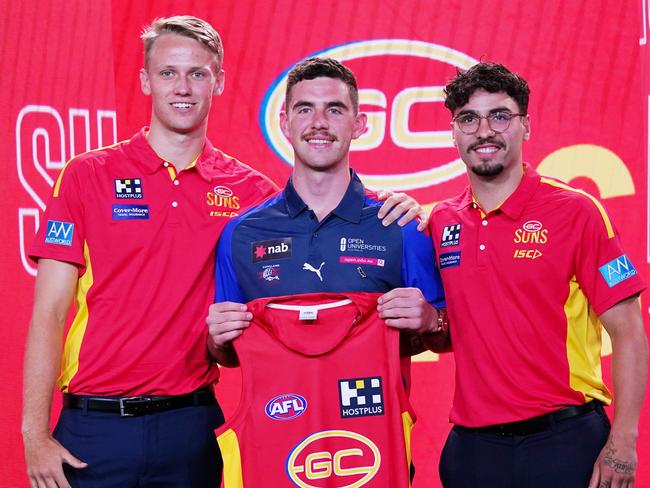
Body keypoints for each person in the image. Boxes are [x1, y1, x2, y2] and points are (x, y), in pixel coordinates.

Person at [21, 17, 424, 488]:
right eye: (168, 72)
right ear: (145, 81)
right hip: (93, 425)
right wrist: (33, 433)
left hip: (192, 424)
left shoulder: (252, 195)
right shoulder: (87, 174)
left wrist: (394, 206)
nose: (183, 87)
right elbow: (48, 311)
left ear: (219, 81)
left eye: (198, 73)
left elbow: (322, 240)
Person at [206, 57, 448, 483]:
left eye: (335, 109)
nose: (319, 122)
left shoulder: (400, 226)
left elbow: (448, 335)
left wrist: (431, 319)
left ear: (359, 123)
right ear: (284, 122)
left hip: (373, 450)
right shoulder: (241, 235)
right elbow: (227, 354)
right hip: (276, 453)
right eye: (305, 109)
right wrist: (217, 338)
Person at [428, 62, 648, 488]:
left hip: (565, 442)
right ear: (454, 133)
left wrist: (623, 440)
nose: (485, 131)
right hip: (473, 452)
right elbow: (444, 332)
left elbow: (629, 331)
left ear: (525, 126)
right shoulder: (440, 221)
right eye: (468, 119)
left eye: (500, 115)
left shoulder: (577, 211)